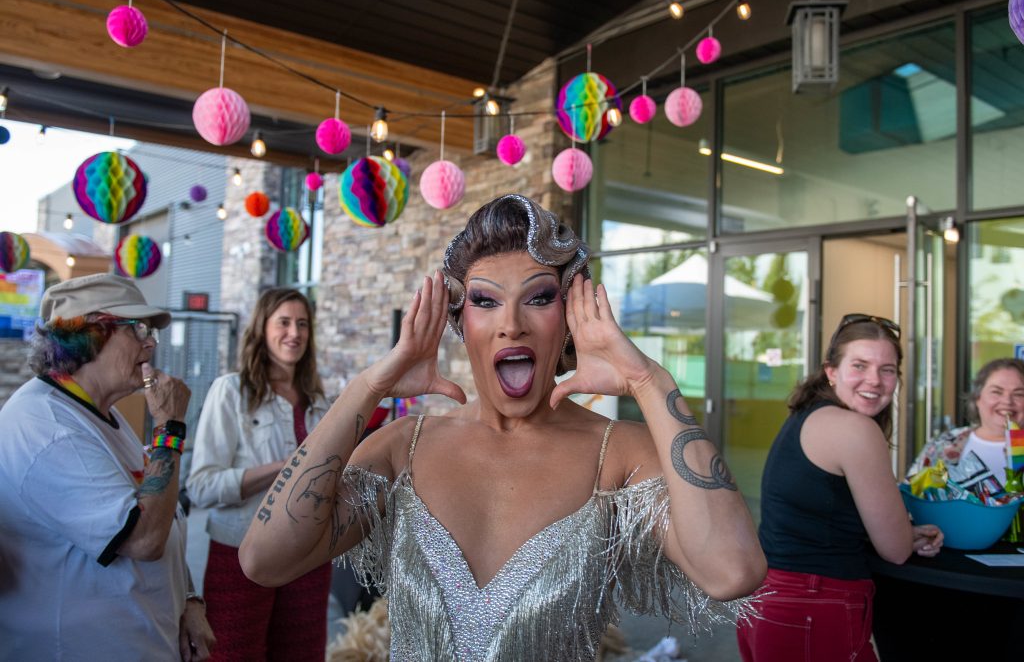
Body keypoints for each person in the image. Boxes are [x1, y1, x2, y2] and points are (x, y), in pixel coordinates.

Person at [239, 194, 766, 661]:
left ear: (568, 320)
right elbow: (264, 558)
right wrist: (369, 386)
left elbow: (732, 571)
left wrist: (647, 379)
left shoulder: (618, 453)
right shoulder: (404, 447)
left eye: (538, 298)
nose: (511, 323)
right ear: (459, 321)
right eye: (485, 301)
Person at [0, 272, 215, 660]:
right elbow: (143, 539)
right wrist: (170, 431)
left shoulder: (99, 414)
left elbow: (166, 518)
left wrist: (190, 601)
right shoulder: (47, 427)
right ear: (90, 334)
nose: (150, 341)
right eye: (137, 328)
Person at [736, 313, 944, 662]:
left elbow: (822, 516)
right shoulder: (855, 429)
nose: (875, 381)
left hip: (768, 601)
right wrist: (905, 536)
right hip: (813, 606)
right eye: (860, 366)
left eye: (887, 370)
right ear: (831, 372)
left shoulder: (808, 414)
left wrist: (906, 533)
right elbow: (894, 549)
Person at [187, 288, 331, 661]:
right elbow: (201, 486)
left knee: (302, 654)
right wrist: (284, 470)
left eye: (302, 324)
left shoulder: (319, 402)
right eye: (283, 322)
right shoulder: (231, 392)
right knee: (235, 653)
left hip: (308, 556)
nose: (294, 333)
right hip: (241, 554)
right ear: (262, 329)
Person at [907, 357, 1024, 486]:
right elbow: (911, 491)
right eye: (996, 392)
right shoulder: (944, 444)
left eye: (1019, 394)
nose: (1007, 401)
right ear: (977, 398)